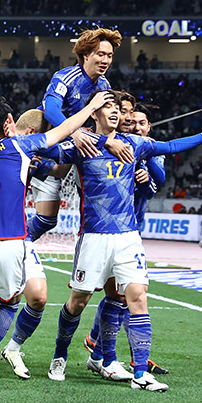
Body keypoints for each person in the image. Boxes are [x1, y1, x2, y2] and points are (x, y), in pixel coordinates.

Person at [47, 91, 202, 392]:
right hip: (94, 236)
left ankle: (140, 373)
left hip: (128, 236)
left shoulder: (135, 144)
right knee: (78, 302)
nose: (115, 112)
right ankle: (60, 355)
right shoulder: (82, 145)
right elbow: (48, 151)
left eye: (117, 108)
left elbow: (171, 146)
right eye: (107, 107)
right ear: (94, 112)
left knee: (137, 297)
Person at [0, 84, 114, 394]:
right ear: (9, 122)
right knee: (10, 305)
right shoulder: (22, 145)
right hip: (10, 242)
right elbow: (64, 129)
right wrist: (91, 109)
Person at [84, 100, 170, 377]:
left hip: (131, 230)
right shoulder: (113, 146)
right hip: (105, 229)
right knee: (119, 295)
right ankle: (111, 353)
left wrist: (144, 172)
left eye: (142, 123)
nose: (136, 126)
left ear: (150, 127)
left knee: (126, 296)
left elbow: (157, 183)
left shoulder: (150, 150)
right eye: (132, 121)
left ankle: (102, 348)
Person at [29, 27, 130, 243]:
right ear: (86, 55)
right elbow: (51, 110)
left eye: (109, 55)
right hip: (48, 149)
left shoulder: (104, 85)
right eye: (100, 54)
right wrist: (74, 132)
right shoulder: (65, 77)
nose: (106, 60)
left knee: (90, 200)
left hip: (79, 149)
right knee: (46, 220)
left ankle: (90, 248)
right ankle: (15, 243)